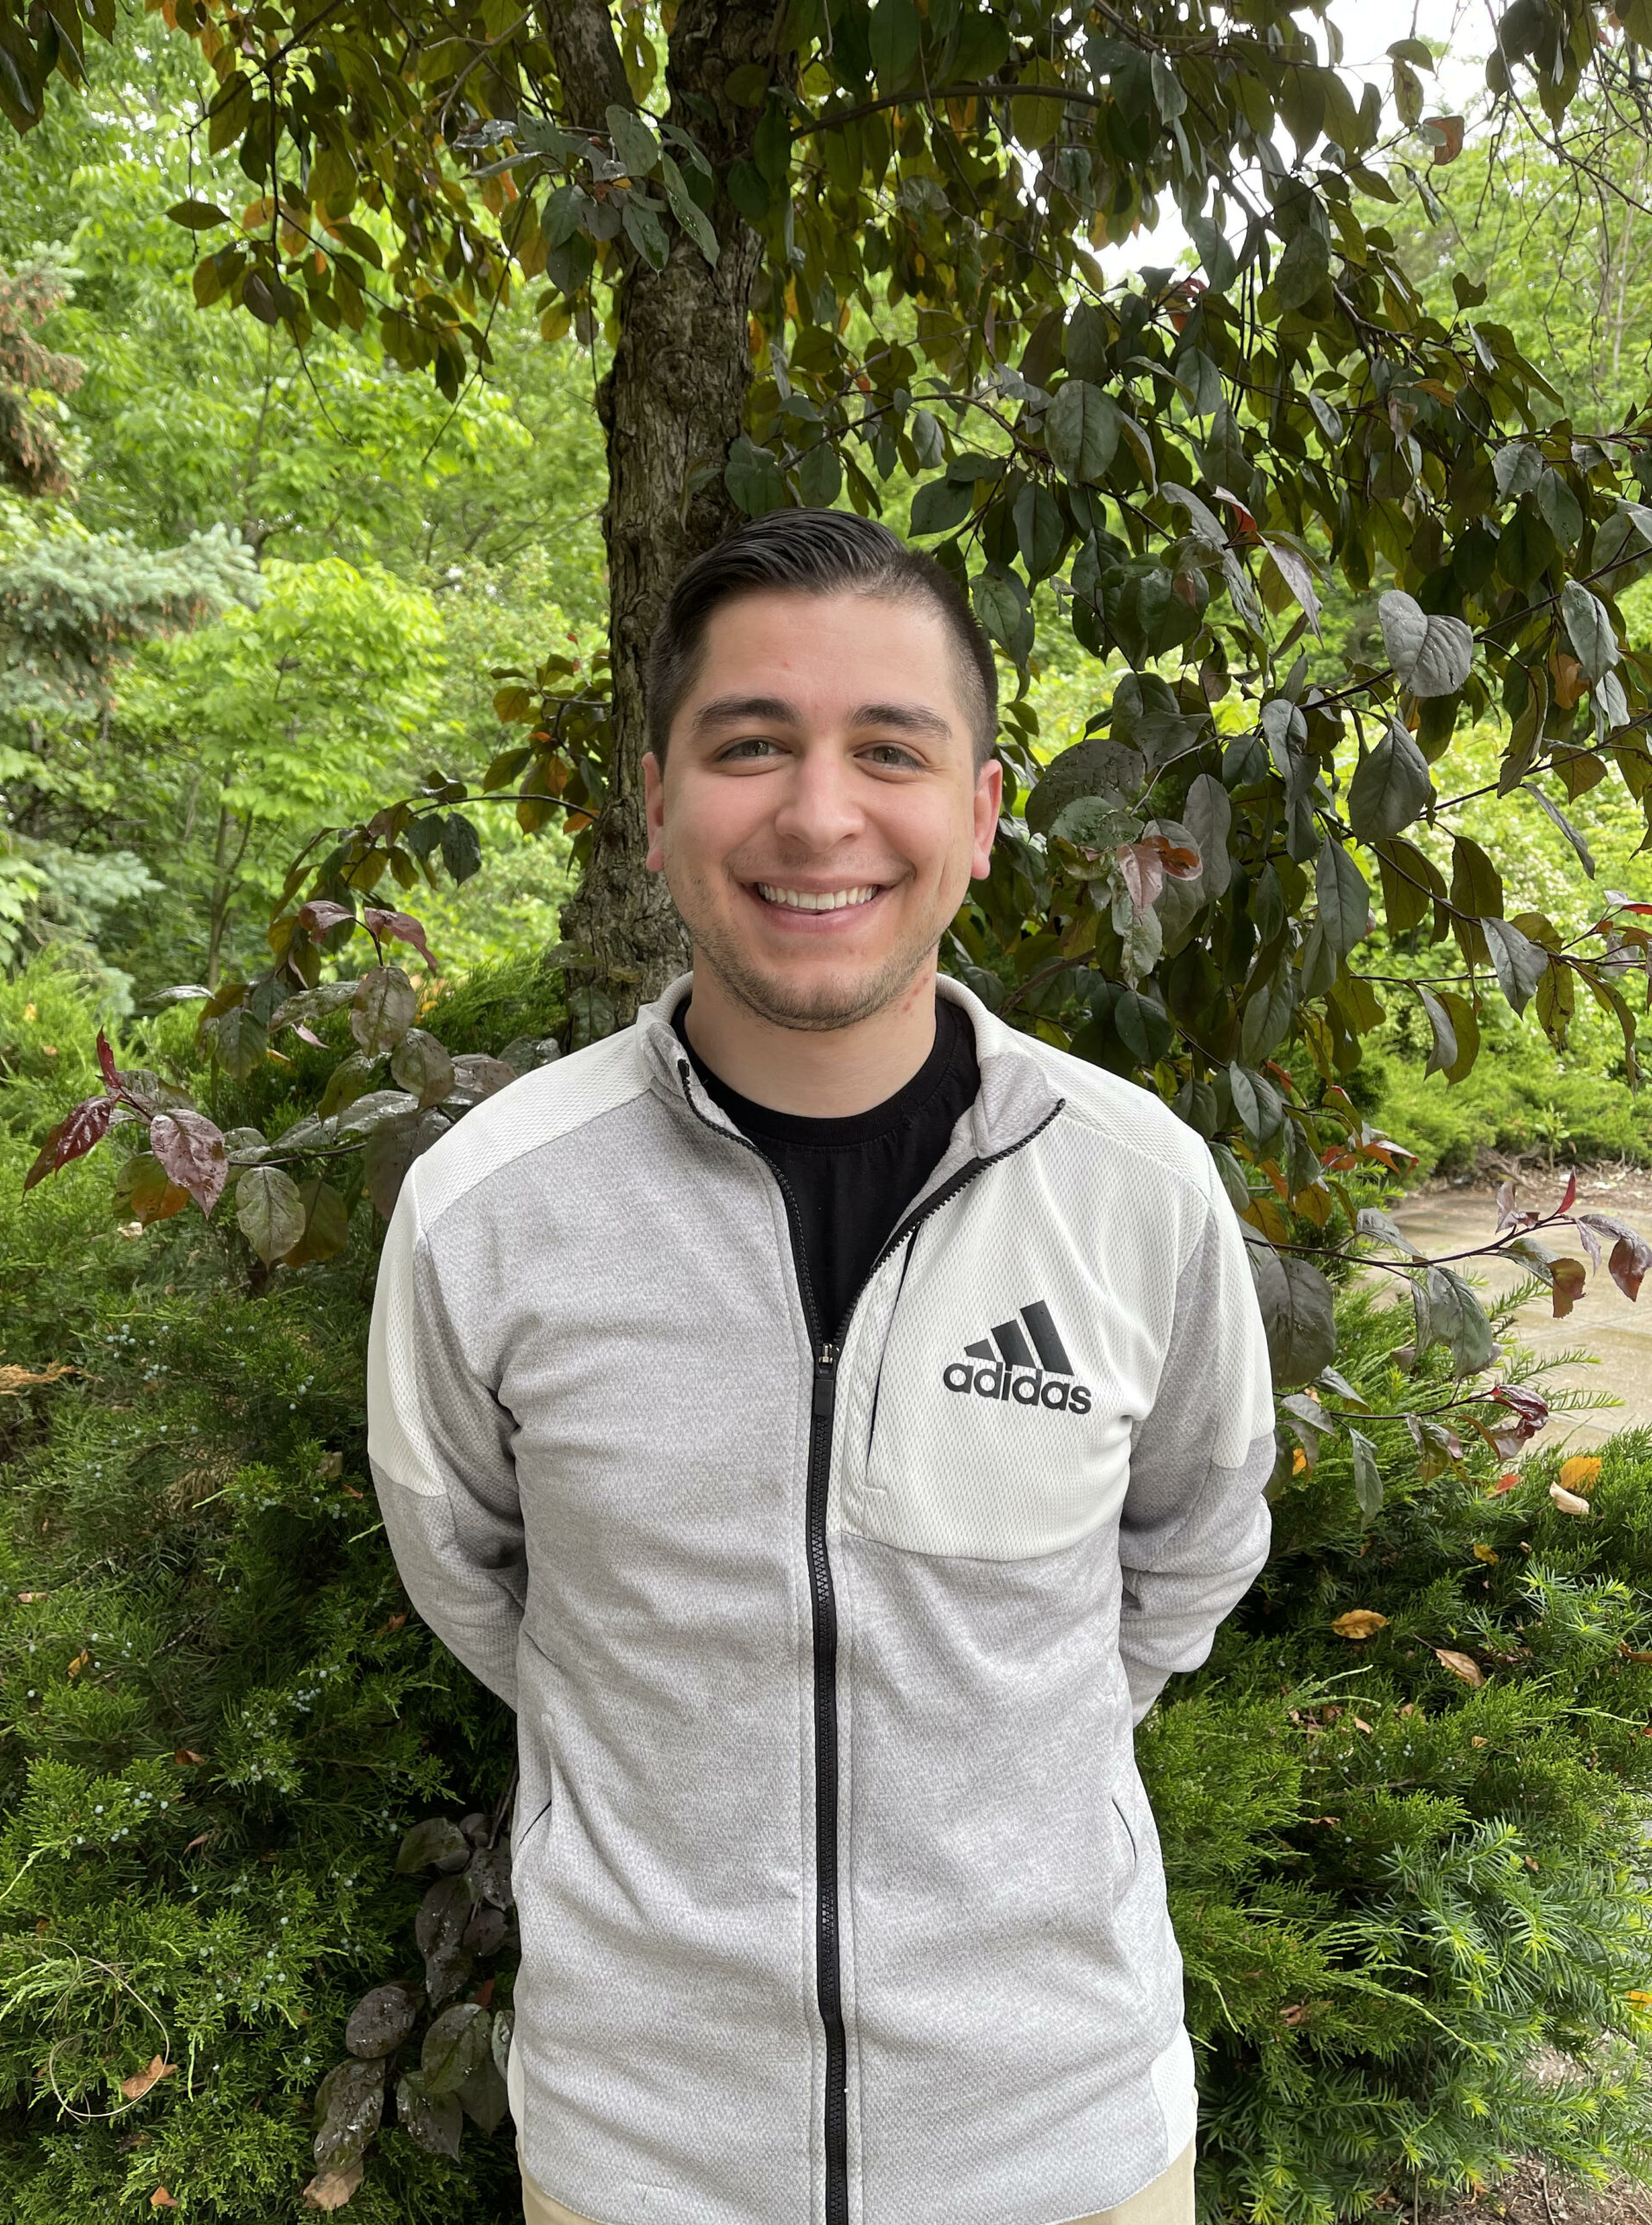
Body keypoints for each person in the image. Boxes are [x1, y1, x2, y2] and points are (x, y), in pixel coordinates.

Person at [367, 509, 1275, 2225]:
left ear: (985, 812)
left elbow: (1193, 1546)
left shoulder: (1136, 1187)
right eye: (750, 744)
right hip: (648, 2159)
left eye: (891, 749)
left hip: (1071, 2144)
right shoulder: (483, 1214)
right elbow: (479, 1580)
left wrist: (1016, 1755)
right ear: (655, 800)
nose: (818, 812)